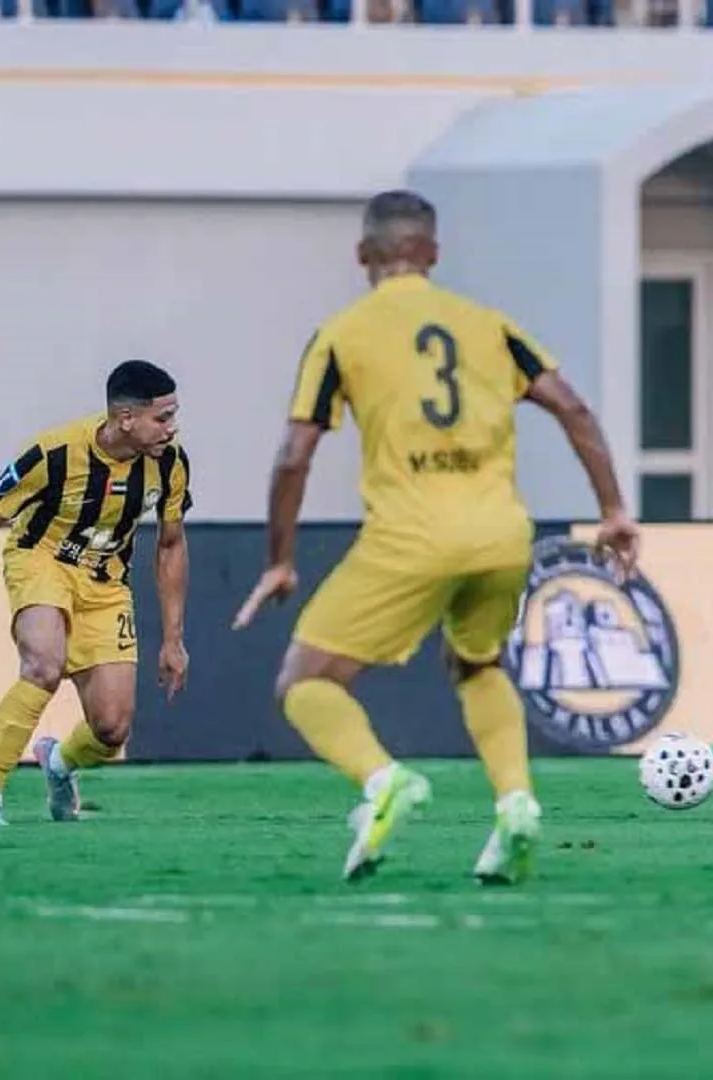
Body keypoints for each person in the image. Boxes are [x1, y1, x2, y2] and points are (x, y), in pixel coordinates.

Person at [231, 190, 638, 885]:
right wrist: (613, 510)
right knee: (477, 664)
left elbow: (294, 455)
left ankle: (382, 780)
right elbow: (573, 408)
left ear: (363, 255)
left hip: (411, 535)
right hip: (502, 533)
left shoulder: (341, 334)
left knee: (305, 681)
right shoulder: (488, 324)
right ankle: (516, 804)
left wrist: (280, 559)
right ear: (434, 253)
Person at [0, 360, 193, 827]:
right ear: (125, 418)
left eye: (173, 416)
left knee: (112, 728)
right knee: (43, 665)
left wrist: (173, 639)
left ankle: (59, 763)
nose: (172, 428)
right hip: (42, 560)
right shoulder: (55, 453)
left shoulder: (170, 464)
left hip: (106, 583)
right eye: (162, 417)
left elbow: (171, 545)